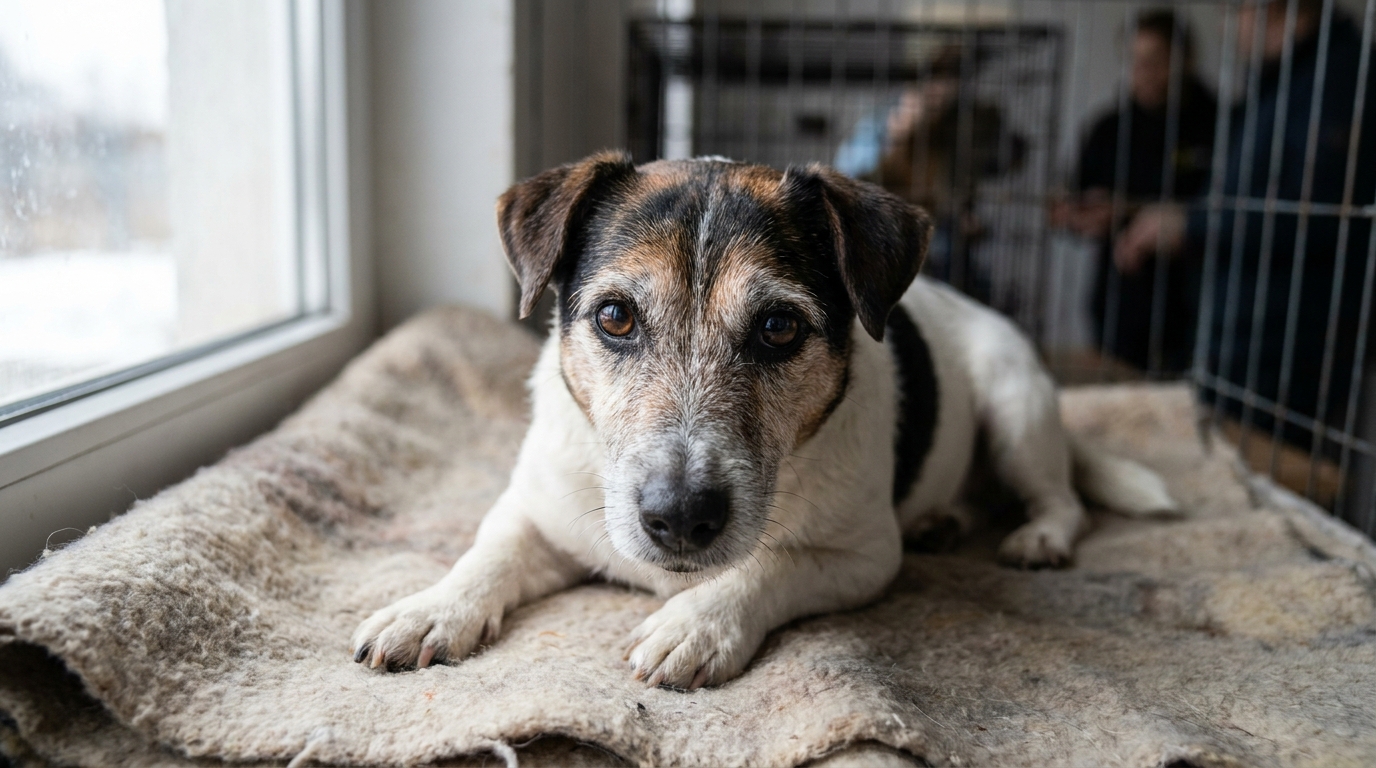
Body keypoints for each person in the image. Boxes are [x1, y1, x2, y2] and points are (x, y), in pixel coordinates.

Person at [1117, 0, 1376, 449]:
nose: (1226, 28)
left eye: (1233, 12)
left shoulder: (1338, 81)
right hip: (1245, 340)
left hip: (1290, 349)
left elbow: (1312, 212)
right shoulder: (1283, 82)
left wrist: (1191, 224)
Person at [1055, 9, 1216, 374]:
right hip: (1120, 303)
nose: (1144, 72)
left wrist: (1133, 211)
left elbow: (1226, 209)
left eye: (1155, 60)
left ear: (1184, 59)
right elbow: (1072, 202)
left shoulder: (1220, 125)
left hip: (1194, 306)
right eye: (1135, 61)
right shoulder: (1108, 129)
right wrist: (1078, 216)